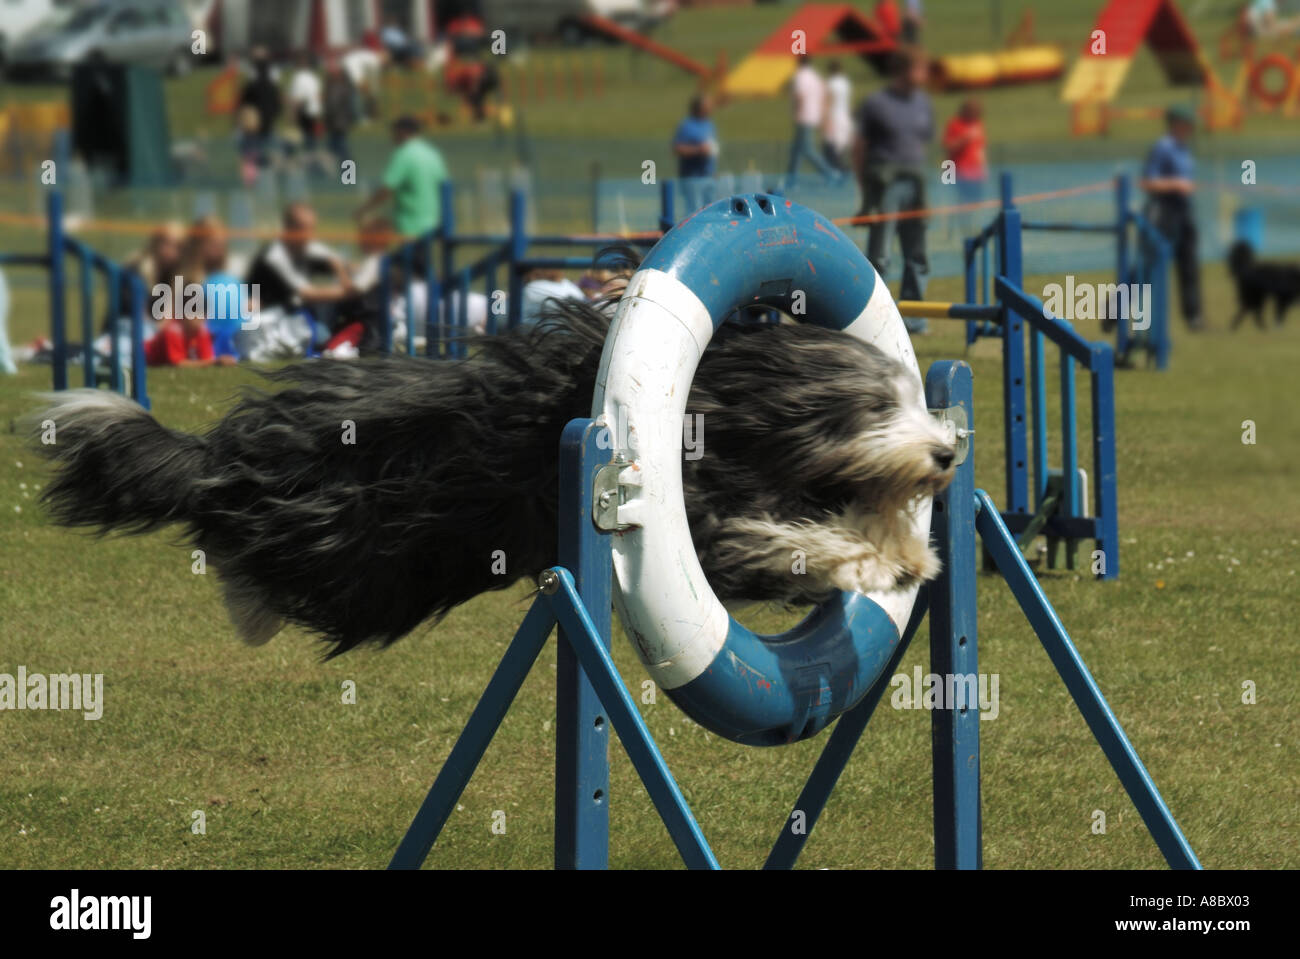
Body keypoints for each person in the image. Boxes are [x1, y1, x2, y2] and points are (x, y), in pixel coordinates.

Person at [854, 48, 935, 334]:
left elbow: (923, 143)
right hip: (884, 185)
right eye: (920, 68)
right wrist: (865, 194)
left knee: (917, 254)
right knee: (880, 257)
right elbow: (859, 148)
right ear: (903, 70)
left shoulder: (923, 103)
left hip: (915, 185)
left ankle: (915, 320)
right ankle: (880, 322)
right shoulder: (875, 104)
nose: (925, 75)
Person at [245, 203, 355, 348]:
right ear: (288, 228)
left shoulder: (305, 247)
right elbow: (307, 293)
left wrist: (346, 275)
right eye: (302, 228)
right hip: (270, 319)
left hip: (295, 312)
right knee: (322, 335)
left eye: (311, 228)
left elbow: (339, 262)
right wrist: (346, 292)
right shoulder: (275, 255)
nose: (308, 234)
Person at [1139, 106, 1204, 332]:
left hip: (1184, 212)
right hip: (1163, 213)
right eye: (1186, 124)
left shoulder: (1184, 149)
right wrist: (1176, 184)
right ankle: (1115, 311)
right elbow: (1148, 182)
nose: (1190, 129)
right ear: (1175, 123)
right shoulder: (1162, 147)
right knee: (1147, 266)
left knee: (1189, 264)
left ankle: (1194, 317)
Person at [355, 116, 450, 241]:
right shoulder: (433, 155)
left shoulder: (404, 154)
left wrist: (363, 210)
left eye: (394, 132)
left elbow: (387, 189)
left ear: (402, 132)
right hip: (435, 224)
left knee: (409, 259)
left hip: (411, 226)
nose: (392, 137)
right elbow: (444, 185)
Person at [787, 55, 841, 186]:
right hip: (814, 116)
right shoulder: (814, 76)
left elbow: (800, 96)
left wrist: (796, 113)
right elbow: (825, 94)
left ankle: (831, 173)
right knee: (797, 149)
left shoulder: (800, 76)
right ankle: (791, 179)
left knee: (807, 149)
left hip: (803, 116)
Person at [942, 97, 989, 231]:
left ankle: (969, 223)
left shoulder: (978, 125)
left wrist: (984, 168)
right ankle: (961, 225)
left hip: (976, 171)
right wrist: (964, 139)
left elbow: (981, 148)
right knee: (962, 199)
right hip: (958, 170)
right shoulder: (954, 124)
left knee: (975, 201)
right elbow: (948, 147)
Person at [237, 48, 281, 177]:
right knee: (267, 155)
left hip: (253, 126)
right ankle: (268, 178)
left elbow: (243, 103)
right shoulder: (272, 86)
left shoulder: (252, 86)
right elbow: (277, 106)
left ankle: (252, 179)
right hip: (268, 124)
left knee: (251, 155)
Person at [672, 94, 719, 214]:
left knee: (710, 211)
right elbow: (677, 148)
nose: (710, 108)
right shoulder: (687, 125)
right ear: (699, 107)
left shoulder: (709, 124)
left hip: (708, 177)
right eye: (707, 105)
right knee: (694, 212)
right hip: (693, 178)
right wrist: (698, 150)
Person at [321, 56, 357, 165]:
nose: (328, 70)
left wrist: (324, 116)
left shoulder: (337, 85)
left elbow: (333, 104)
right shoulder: (342, 84)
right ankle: (343, 175)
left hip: (337, 122)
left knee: (341, 149)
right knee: (335, 148)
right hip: (339, 122)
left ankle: (348, 176)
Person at [288, 54, 323, 158]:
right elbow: (318, 95)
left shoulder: (298, 78)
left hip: (304, 112)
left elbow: (298, 98)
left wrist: (293, 114)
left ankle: (302, 160)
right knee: (312, 138)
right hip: (314, 111)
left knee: (299, 139)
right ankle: (313, 159)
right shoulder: (313, 78)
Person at [822, 62, 854, 173]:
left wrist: (825, 120)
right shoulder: (845, 83)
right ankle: (840, 170)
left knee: (830, 147)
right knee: (840, 148)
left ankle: (838, 170)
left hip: (834, 117)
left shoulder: (830, 83)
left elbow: (829, 102)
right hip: (845, 117)